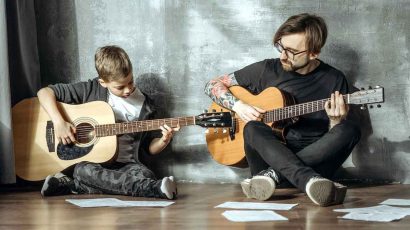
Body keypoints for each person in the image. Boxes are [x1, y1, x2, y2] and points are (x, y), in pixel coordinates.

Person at [204, 13, 361, 206]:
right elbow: (212, 85)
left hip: (313, 164)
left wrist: (336, 122)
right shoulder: (267, 69)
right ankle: (305, 180)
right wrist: (239, 106)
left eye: (292, 51)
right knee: (252, 127)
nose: (283, 56)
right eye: (281, 47)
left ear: (313, 53)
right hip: (268, 159)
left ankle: (276, 175)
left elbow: (332, 140)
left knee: (349, 130)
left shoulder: (334, 79)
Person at [38, 45, 179, 199]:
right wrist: (59, 122)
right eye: (120, 87)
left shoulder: (147, 105)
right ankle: (154, 189)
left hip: (128, 166)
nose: (127, 90)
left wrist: (163, 140)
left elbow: (148, 148)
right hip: (95, 165)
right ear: (103, 82)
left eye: (131, 82)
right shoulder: (90, 89)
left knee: (146, 173)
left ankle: (72, 186)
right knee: (82, 170)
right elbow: (44, 92)